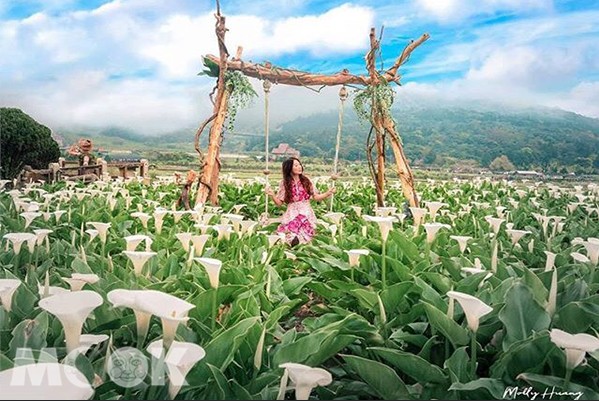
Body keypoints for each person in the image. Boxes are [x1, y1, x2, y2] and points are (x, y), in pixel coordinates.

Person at [265, 157, 335, 246]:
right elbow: (279, 203)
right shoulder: (284, 183)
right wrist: (272, 195)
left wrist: (328, 193)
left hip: (306, 212)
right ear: (289, 168)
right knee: (289, 237)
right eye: (296, 165)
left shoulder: (306, 181)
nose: (299, 167)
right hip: (292, 213)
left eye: (300, 165)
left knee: (306, 237)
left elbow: (316, 197)